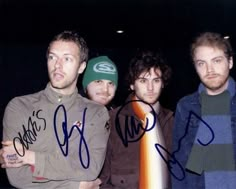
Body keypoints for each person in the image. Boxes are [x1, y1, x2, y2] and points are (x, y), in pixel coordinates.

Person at [0, 30, 110, 189]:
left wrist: (31, 157)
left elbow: (89, 168)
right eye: (52, 57)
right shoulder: (19, 107)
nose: (57, 65)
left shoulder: (96, 113)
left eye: (67, 59)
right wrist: (77, 185)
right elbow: (17, 177)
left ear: (81, 67)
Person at [99, 49, 174, 188]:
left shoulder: (171, 122)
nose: (150, 87)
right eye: (143, 80)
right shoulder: (113, 120)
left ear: (163, 83)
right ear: (132, 84)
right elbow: (102, 177)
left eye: (156, 80)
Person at [171, 32, 236, 189]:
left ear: (230, 62)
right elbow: (179, 163)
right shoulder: (186, 106)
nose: (209, 70)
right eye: (201, 63)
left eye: (217, 61)